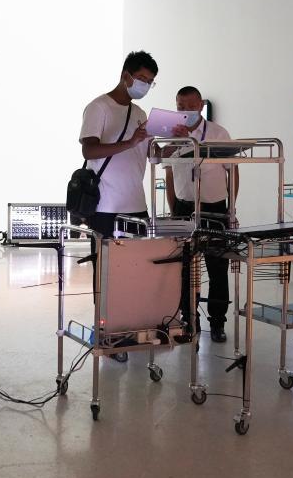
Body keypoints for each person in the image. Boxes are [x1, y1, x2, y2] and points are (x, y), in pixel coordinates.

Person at [166, 86, 239, 342]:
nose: (185, 110)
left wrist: (231, 209)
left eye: (190, 105)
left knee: (218, 266)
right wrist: (173, 210)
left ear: (200, 105)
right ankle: (189, 320)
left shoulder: (218, 133)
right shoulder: (173, 136)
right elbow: (169, 174)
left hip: (214, 207)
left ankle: (217, 322)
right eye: (180, 106)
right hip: (184, 208)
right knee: (185, 268)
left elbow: (233, 171)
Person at [78, 51, 157, 241]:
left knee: (142, 260)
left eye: (150, 82)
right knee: (108, 260)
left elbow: (153, 154)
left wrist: (180, 140)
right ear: (125, 75)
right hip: (106, 207)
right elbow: (89, 151)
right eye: (141, 79)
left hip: (137, 204)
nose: (145, 85)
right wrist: (130, 142)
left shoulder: (139, 113)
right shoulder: (99, 107)